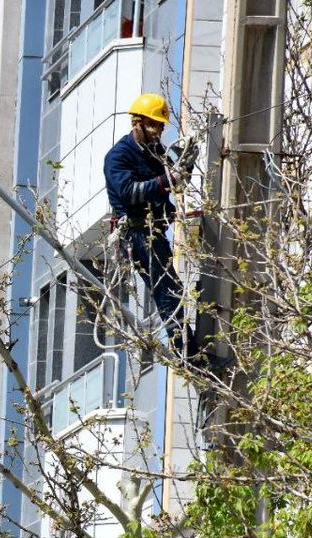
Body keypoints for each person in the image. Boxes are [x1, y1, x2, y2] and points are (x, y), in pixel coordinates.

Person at [103, 93, 198, 357]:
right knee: (168, 291)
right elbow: (130, 192)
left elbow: (175, 177)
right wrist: (168, 180)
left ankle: (189, 349)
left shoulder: (155, 152)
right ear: (137, 123)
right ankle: (188, 355)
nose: (157, 131)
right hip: (136, 235)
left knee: (173, 289)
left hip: (154, 230)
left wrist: (185, 164)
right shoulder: (119, 156)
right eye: (153, 125)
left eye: (160, 126)